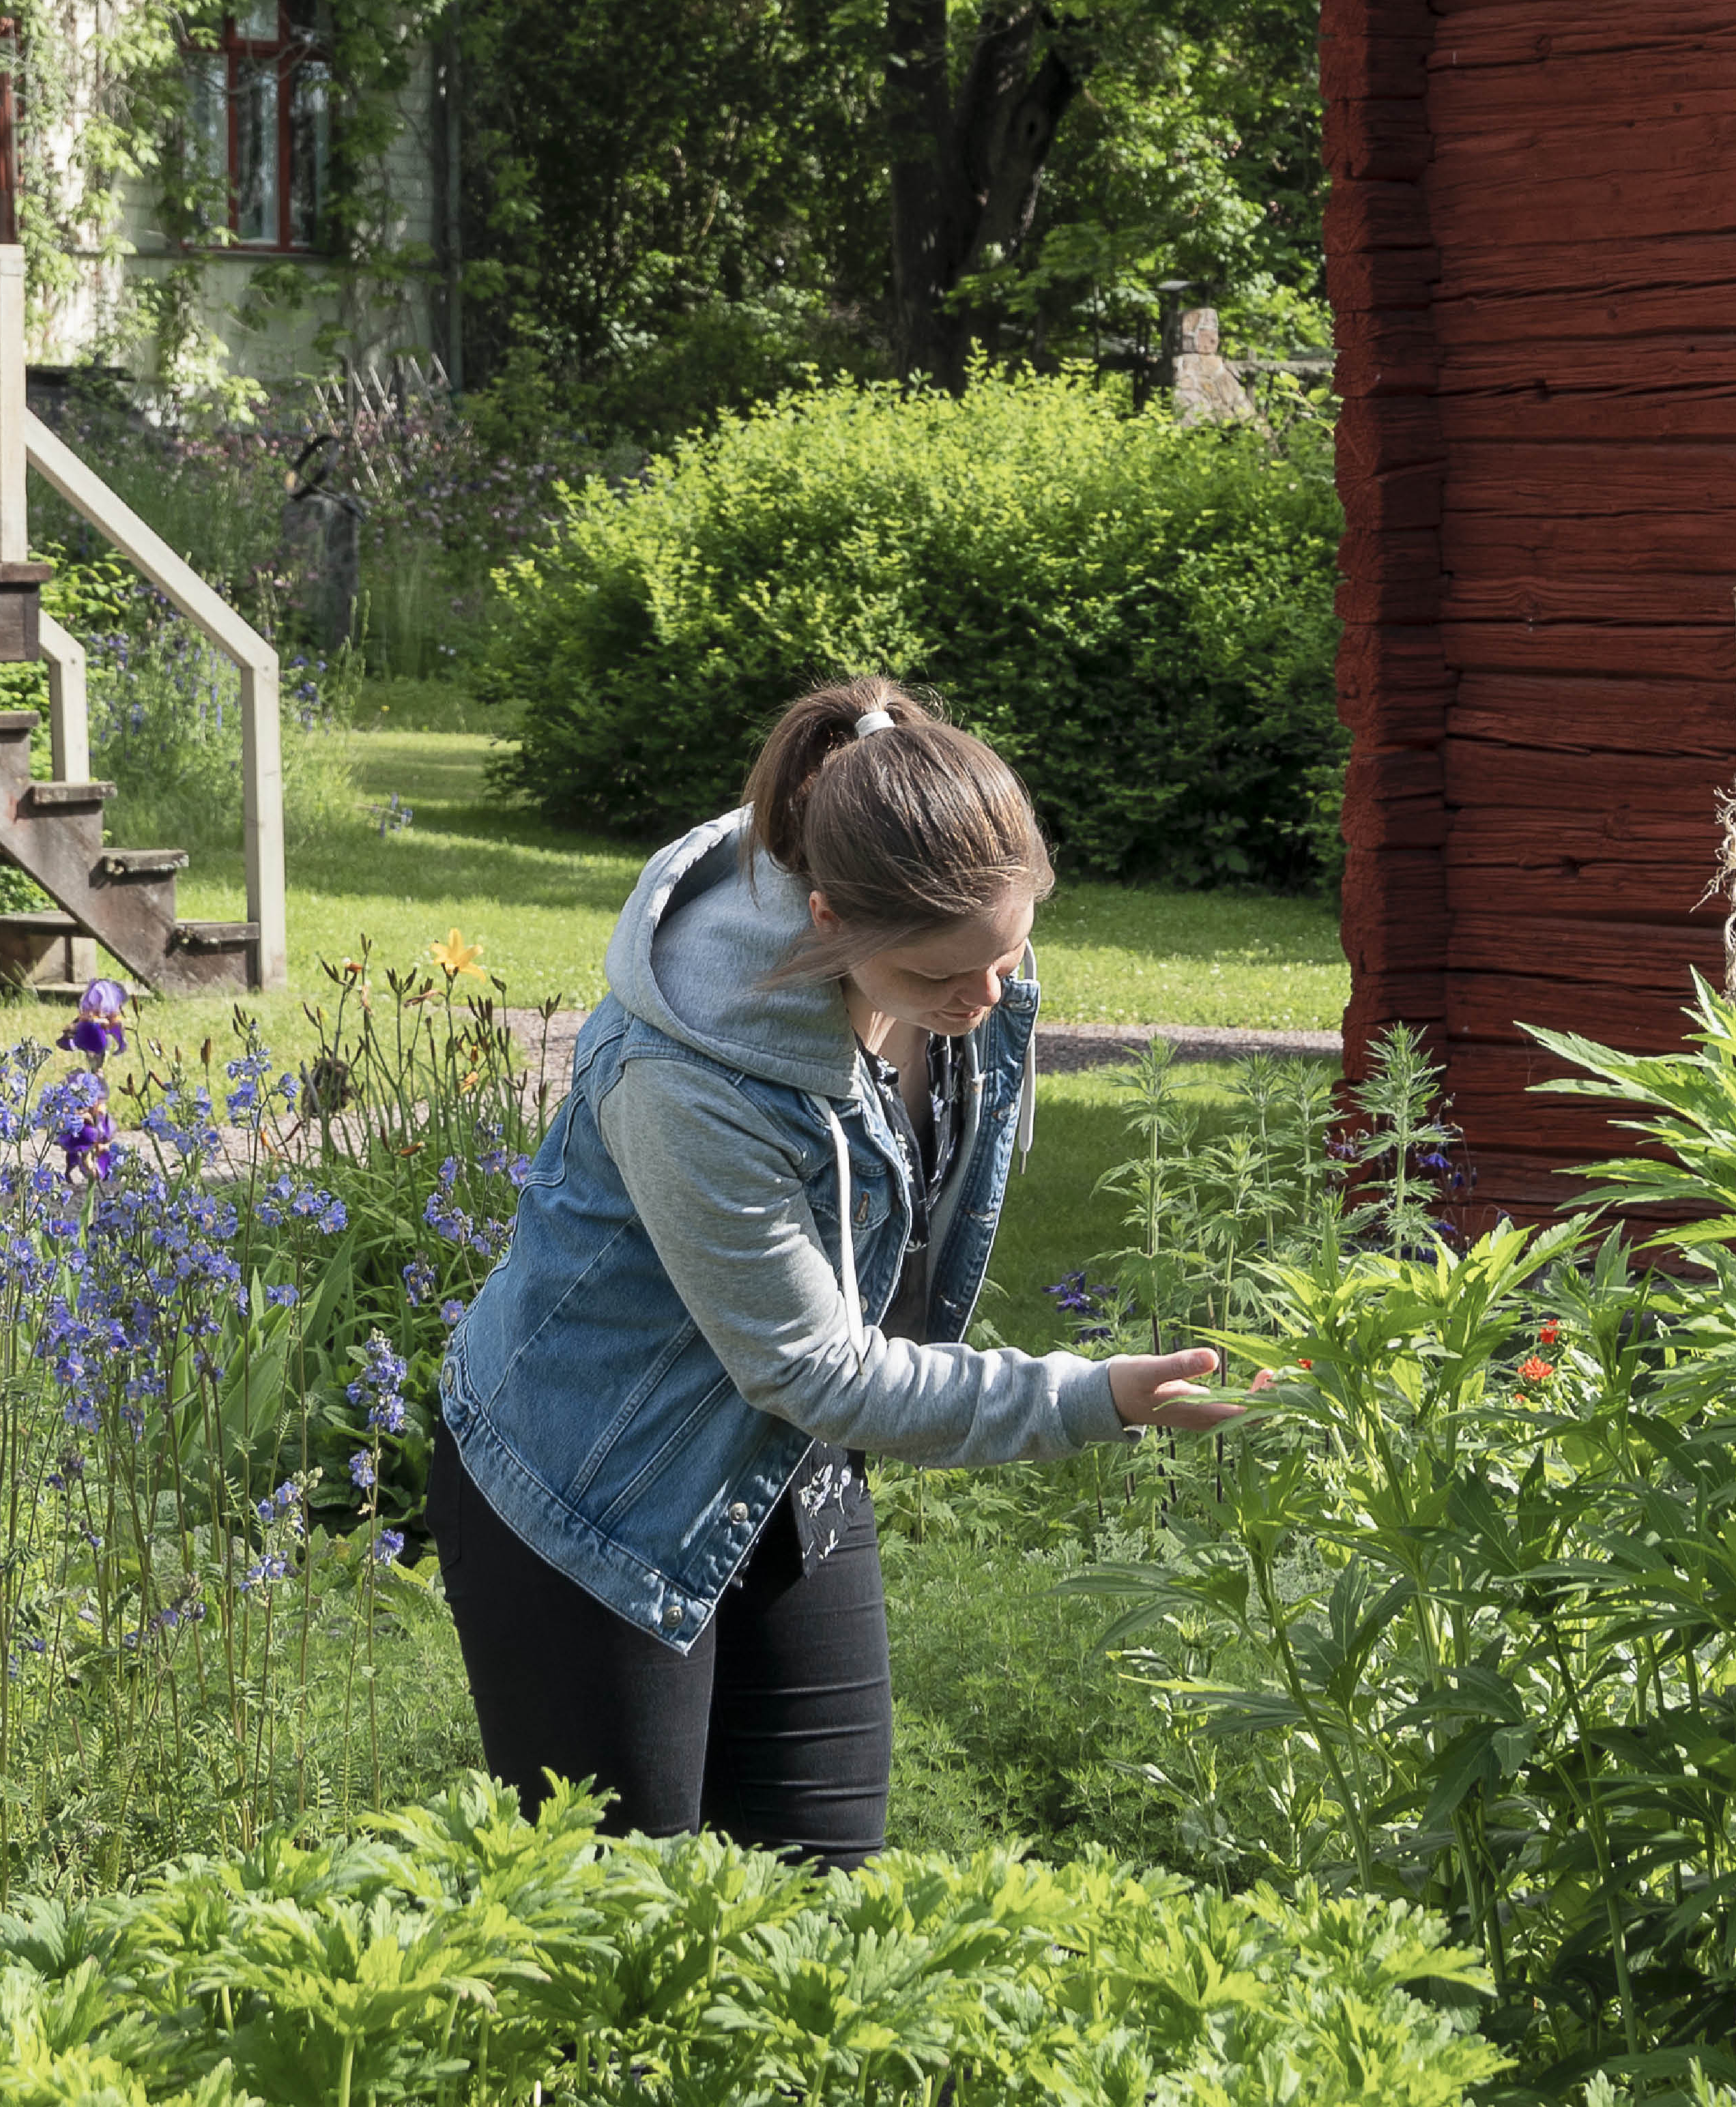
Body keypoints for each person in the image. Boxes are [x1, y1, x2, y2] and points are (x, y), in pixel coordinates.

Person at [431, 675, 1242, 1859]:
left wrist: (963, 983)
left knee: (823, 1904)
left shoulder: (957, 967)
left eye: (1010, 957)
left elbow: (858, 1323)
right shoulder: (691, 1078)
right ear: (830, 925)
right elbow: (815, 1367)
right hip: (588, 1494)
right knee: (613, 1947)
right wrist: (1095, 1396)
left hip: (790, 1470)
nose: (987, 999)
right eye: (941, 978)